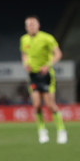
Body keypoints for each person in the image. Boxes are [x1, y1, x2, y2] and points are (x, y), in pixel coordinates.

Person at [20, 15, 67, 144]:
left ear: (38, 25)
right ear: (26, 27)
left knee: (50, 105)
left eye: (33, 24)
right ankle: (42, 131)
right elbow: (24, 54)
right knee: (36, 104)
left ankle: (61, 130)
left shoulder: (47, 38)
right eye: (28, 25)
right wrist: (26, 64)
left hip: (46, 76)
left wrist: (48, 65)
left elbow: (58, 54)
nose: (31, 27)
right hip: (33, 76)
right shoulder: (24, 39)